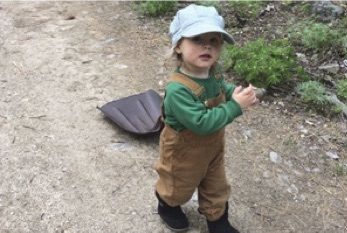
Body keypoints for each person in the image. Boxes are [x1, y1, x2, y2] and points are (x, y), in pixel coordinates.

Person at [154, 4, 258, 233]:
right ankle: (166, 205)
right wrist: (234, 107)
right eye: (197, 38)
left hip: (213, 149)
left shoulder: (213, 73)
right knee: (177, 187)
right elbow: (201, 123)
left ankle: (218, 221)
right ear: (178, 46)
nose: (207, 45)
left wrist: (238, 94)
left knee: (217, 185)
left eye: (214, 39)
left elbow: (223, 88)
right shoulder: (178, 90)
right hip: (182, 151)